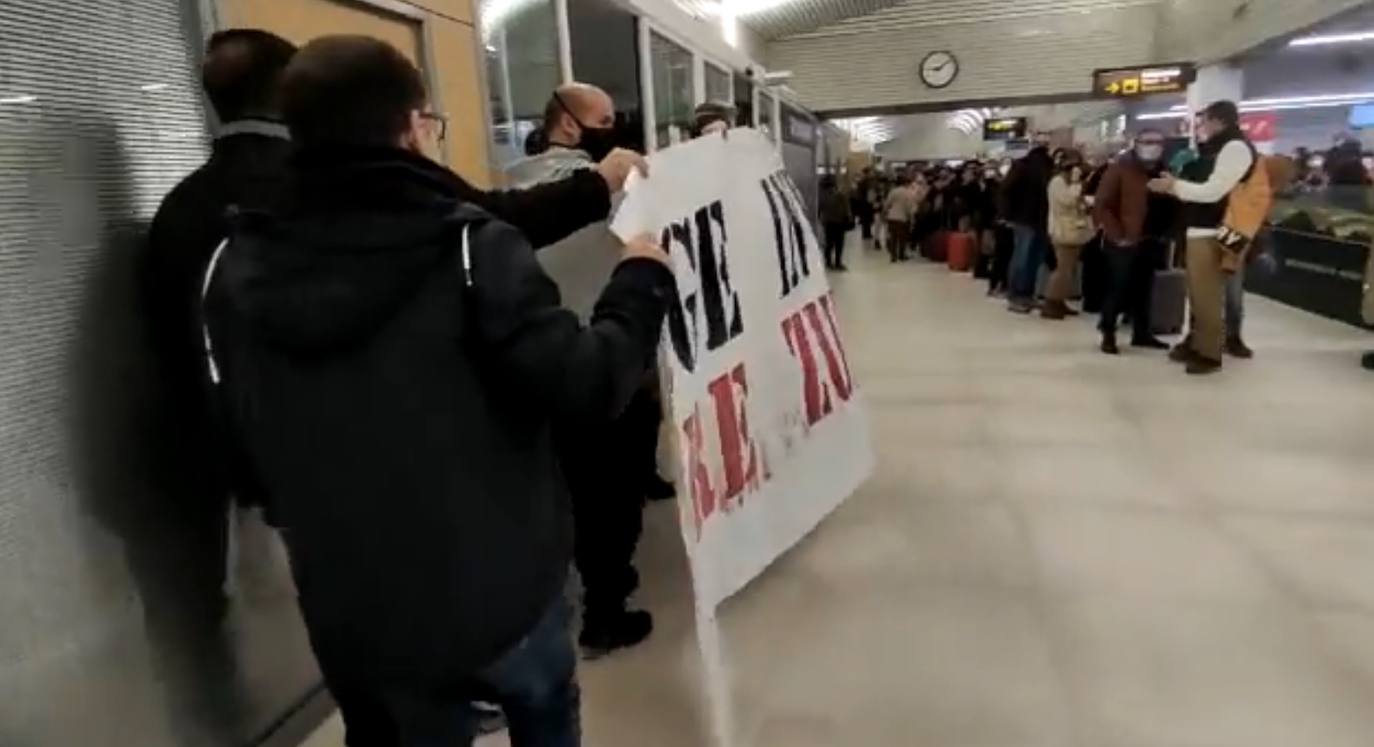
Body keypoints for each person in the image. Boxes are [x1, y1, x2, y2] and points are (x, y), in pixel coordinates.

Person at [202, 35, 674, 746]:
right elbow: (589, 384)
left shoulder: (236, 263)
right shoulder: (468, 248)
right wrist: (639, 279)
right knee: (543, 713)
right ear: (413, 125)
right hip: (501, 590)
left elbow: (244, 446)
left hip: (354, 604)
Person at [506, 83, 662, 657]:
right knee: (611, 499)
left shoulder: (504, 189)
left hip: (532, 371)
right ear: (570, 126)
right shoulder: (620, 197)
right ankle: (605, 612)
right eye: (606, 120)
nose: (617, 128)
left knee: (558, 491)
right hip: (605, 363)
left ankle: (556, 596)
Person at [1149, 100, 1257, 375]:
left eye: (1204, 121)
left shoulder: (1234, 148)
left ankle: (1209, 352)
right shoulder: (1219, 148)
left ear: (1218, 121)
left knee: (1208, 295)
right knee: (1200, 293)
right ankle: (1198, 341)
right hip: (1208, 228)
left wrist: (1174, 186)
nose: (1202, 128)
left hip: (1217, 230)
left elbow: (1213, 192)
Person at [1094, 129, 1175, 354]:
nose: (1154, 146)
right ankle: (1108, 331)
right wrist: (1117, 235)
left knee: (1144, 288)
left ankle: (1142, 332)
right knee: (1117, 287)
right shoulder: (1120, 168)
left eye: (1158, 142)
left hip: (1152, 239)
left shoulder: (1164, 170)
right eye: (1148, 142)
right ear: (1136, 144)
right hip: (1124, 241)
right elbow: (1102, 205)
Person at [1001, 133, 1056, 313]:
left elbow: (1005, 190)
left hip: (1028, 218)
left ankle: (1021, 295)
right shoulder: (1042, 167)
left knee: (1026, 258)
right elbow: (1006, 191)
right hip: (1033, 219)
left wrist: (1008, 215)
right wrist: (1007, 215)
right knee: (1028, 258)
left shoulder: (1023, 165)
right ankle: (1020, 295)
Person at [1042, 159, 1092, 319]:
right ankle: (1050, 302)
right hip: (1062, 231)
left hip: (1073, 230)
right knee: (1062, 269)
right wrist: (1077, 184)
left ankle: (1059, 300)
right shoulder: (1057, 183)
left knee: (1069, 270)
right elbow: (1068, 201)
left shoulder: (1065, 183)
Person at [820, 175, 853, 270]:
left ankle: (828, 262)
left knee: (829, 243)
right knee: (839, 243)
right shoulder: (840, 195)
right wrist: (850, 219)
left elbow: (820, 209)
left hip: (828, 222)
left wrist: (821, 219)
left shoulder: (823, 196)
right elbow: (847, 209)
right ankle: (838, 262)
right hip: (839, 222)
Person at [883, 175, 918, 262]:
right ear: (906, 183)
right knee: (902, 238)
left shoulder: (893, 191)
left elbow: (887, 203)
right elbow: (909, 207)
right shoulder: (908, 193)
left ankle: (893, 256)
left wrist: (884, 213)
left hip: (892, 217)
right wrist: (911, 216)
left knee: (893, 238)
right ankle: (901, 255)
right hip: (902, 218)